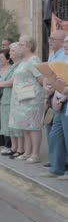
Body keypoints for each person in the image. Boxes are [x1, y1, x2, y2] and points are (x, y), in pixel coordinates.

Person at [8, 35, 45, 163]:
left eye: (21, 44)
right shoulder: (23, 61)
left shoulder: (34, 60)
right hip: (22, 99)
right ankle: (27, 152)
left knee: (33, 127)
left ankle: (35, 154)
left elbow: (41, 80)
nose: (19, 46)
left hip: (32, 100)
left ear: (29, 46)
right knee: (25, 127)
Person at [41, 34, 68, 179]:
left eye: (67, 42)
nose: (65, 45)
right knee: (55, 135)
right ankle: (56, 168)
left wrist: (61, 99)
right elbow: (55, 79)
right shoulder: (60, 57)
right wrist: (54, 97)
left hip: (63, 101)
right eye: (64, 42)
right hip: (58, 100)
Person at [0, 44, 23, 157]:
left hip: (13, 98)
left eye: (12, 51)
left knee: (15, 126)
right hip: (6, 98)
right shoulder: (13, 66)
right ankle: (14, 147)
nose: (10, 53)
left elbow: (11, 81)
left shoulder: (19, 65)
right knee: (8, 125)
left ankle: (18, 148)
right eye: (10, 51)